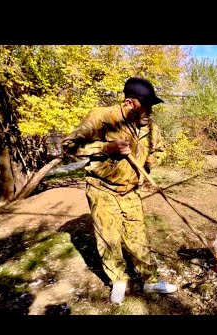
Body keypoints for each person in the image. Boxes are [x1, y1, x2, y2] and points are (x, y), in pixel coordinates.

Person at [62, 77, 177, 305]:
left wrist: (148, 165)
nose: (150, 111)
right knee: (109, 237)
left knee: (138, 238)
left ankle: (150, 280)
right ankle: (118, 281)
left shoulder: (150, 128)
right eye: (147, 105)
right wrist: (106, 148)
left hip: (131, 191)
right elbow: (68, 145)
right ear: (129, 103)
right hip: (102, 189)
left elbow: (160, 150)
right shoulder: (103, 118)